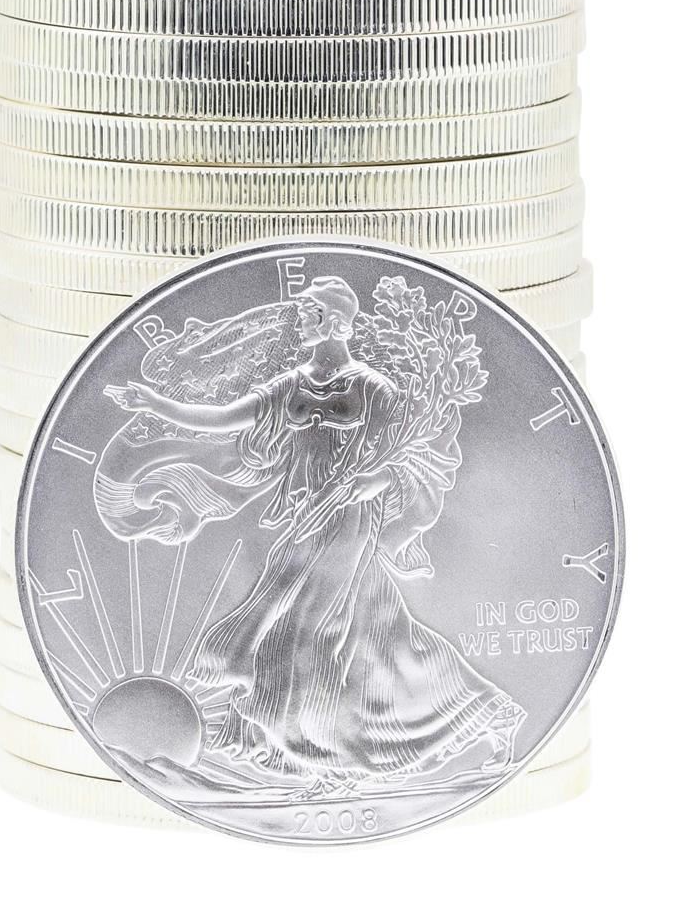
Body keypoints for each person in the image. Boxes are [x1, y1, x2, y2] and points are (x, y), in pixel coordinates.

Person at [107, 276, 523, 794]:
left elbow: (410, 455)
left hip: (349, 519)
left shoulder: (372, 388)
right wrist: (155, 404)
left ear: (332, 320)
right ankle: (482, 714)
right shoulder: (291, 385)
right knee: (377, 634)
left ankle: (328, 762)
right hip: (307, 518)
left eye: (308, 313)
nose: (299, 320)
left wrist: (379, 479)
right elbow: (222, 419)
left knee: (309, 633)